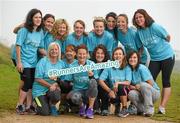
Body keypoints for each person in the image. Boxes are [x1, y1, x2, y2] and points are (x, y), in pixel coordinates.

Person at [133, 9, 175, 114]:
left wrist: (161, 47)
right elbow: (140, 48)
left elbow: (168, 37)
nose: (138, 19)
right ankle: (145, 105)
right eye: (136, 18)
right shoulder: (139, 32)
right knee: (147, 81)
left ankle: (162, 107)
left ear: (145, 17)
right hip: (154, 59)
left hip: (167, 56)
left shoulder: (154, 27)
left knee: (166, 81)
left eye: (140, 17)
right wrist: (136, 57)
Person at [15, 8, 44, 114]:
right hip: (24, 61)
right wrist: (19, 62)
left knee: (32, 83)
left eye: (40, 17)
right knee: (27, 82)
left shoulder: (40, 32)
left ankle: (29, 106)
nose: (38, 19)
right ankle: (19, 105)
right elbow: (18, 46)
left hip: (34, 62)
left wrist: (51, 54)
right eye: (36, 17)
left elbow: (40, 48)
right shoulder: (24, 30)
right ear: (31, 18)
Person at [66, 44, 98, 119]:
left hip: (89, 92)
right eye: (80, 54)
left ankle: (90, 109)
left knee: (93, 81)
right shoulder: (72, 66)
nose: (82, 56)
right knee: (74, 97)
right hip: (77, 91)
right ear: (76, 54)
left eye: (84, 54)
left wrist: (91, 76)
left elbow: (96, 81)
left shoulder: (92, 64)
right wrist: (70, 93)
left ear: (87, 54)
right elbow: (68, 80)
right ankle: (82, 107)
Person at [99, 47, 132, 117]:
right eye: (116, 54)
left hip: (126, 93)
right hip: (113, 93)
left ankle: (124, 108)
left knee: (120, 86)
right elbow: (100, 80)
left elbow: (128, 82)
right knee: (104, 86)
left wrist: (117, 83)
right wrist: (109, 90)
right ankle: (115, 105)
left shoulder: (127, 67)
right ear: (113, 56)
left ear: (123, 56)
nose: (118, 56)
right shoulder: (109, 67)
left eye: (120, 54)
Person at [32, 42, 64, 116]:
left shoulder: (61, 63)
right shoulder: (43, 61)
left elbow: (62, 77)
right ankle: (35, 104)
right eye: (52, 49)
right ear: (48, 50)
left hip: (52, 89)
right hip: (39, 91)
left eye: (56, 49)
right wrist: (50, 86)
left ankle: (52, 104)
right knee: (45, 113)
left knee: (56, 95)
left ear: (59, 51)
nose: (54, 51)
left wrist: (56, 84)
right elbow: (38, 79)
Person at [127, 51, 160, 116]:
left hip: (153, 93)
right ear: (128, 59)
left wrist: (139, 86)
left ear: (138, 59)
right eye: (130, 57)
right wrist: (135, 87)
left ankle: (149, 111)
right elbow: (130, 86)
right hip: (141, 93)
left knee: (143, 85)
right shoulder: (129, 70)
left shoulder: (141, 68)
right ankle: (141, 110)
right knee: (131, 94)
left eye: (134, 57)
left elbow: (150, 83)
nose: (132, 59)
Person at [91, 44, 110, 116]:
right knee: (93, 83)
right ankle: (96, 107)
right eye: (98, 53)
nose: (100, 55)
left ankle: (104, 108)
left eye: (102, 53)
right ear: (95, 54)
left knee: (105, 83)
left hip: (103, 87)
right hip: (93, 86)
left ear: (105, 55)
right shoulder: (90, 63)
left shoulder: (108, 64)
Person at [58, 44, 77, 113]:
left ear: (75, 53)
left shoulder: (77, 63)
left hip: (75, 84)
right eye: (67, 51)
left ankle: (73, 105)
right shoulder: (61, 62)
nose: (69, 53)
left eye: (71, 51)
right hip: (63, 84)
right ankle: (63, 105)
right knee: (63, 84)